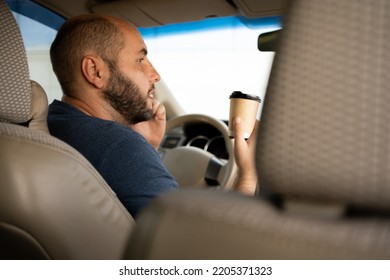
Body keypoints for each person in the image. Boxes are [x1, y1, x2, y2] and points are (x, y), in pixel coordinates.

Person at [48, 14, 258, 218]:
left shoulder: (50, 123)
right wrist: (247, 176)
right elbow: (195, 248)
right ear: (95, 71)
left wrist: (147, 147)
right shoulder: (121, 148)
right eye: (140, 59)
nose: (156, 75)